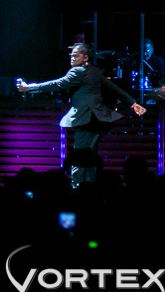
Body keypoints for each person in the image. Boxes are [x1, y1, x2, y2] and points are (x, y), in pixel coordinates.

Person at [16, 43, 147, 188]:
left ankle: (78, 189)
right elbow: (113, 88)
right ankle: (88, 190)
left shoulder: (77, 72)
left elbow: (57, 84)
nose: (72, 59)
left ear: (85, 58)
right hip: (98, 119)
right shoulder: (95, 72)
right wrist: (133, 103)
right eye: (71, 56)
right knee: (90, 157)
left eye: (75, 56)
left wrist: (29, 88)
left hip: (86, 119)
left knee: (80, 157)